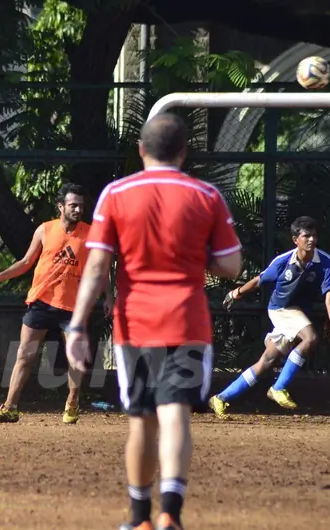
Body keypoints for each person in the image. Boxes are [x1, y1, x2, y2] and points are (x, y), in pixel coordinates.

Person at [65, 113, 242, 530]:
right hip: (187, 321)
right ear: (183, 152)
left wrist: (76, 325)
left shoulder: (115, 194)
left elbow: (96, 268)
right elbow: (232, 265)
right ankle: (171, 515)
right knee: (176, 412)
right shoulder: (206, 195)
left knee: (142, 419)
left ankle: (140, 517)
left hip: (135, 323)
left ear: (141, 150)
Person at [0, 182, 114, 424]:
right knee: (24, 354)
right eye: (73, 205)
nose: (77, 210)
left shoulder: (91, 233)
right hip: (41, 301)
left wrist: (109, 297)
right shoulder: (44, 230)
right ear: (60, 206)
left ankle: (72, 402)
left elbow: (100, 269)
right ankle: (10, 407)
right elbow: (25, 262)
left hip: (73, 306)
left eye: (81, 206)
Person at [209, 216, 330, 419]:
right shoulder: (283, 261)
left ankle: (221, 397)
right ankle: (278, 387)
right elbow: (259, 280)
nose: (312, 239)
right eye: (306, 235)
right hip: (279, 309)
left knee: (267, 360)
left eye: (314, 235)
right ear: (296, 239)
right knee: (311, 337)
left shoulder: (326, 262)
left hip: (297, 314)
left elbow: (329, 297)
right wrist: (236, 293)